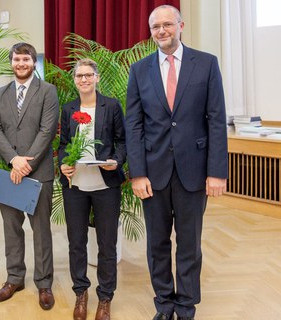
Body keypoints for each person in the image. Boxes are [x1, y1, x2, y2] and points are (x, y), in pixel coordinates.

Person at [125, 5, 228, 320]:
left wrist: (217, 173)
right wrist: (137, 173)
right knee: (156, 244)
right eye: (155, 26)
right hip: (153, 174)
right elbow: (134, 125)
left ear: (180, 25)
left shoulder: (206, 64)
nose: (161, 31)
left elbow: (216, 121)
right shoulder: (139, 70)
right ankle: (164, 302)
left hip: (193, 172)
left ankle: (185, 305)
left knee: (188, 244)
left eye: (167, 24)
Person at [0, 42, 59, 310]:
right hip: (9, 172)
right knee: (11, 229)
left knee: (40, 230)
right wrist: (14, 160)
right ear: (11, 62)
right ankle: (14, 278)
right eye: (17, 59)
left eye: (26, 59)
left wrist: (26, 163)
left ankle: (43, 283)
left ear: (33, 62)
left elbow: (47, 130)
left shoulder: (48, 91)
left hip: (38, 172)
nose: (21, 64)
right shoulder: (0, 94)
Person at [58, 58, 126, 320]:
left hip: (105, 185)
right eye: (79, 76)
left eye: (88, 75)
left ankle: (105, 297)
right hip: (75, 185)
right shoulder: (68, 108)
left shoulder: (112, 106)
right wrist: (64, 163)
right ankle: (81, 293)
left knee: (107, 244)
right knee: (77, 242)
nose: (84, 80)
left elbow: (122, 141)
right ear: (74, 80)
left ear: (97, 77)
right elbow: (64, 144)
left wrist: (116, 161)